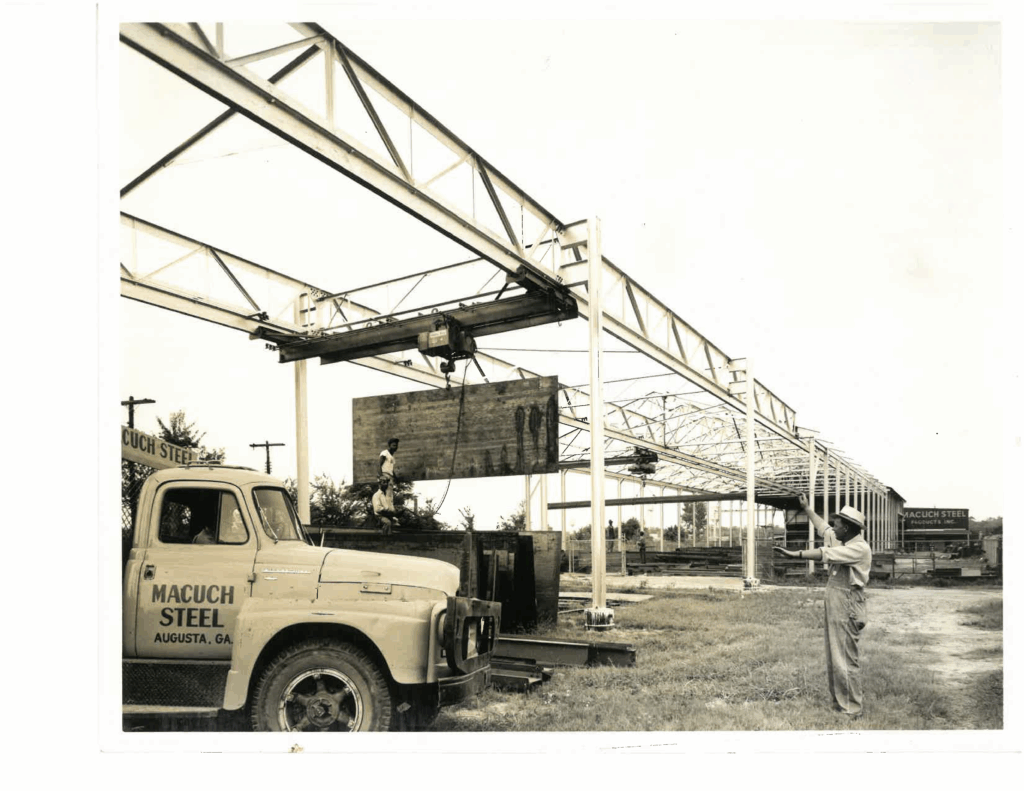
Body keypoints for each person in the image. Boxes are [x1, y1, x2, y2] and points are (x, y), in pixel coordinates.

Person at [775, 493, 872, 718]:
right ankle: (840, 702)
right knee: (834, 654)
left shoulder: (859, 548)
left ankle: (851, 708)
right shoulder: (845, 539)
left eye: (837, 525)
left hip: (847, 602)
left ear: (847, 528)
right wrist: (807, 508)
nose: (833, 528)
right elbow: (823, 529)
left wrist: (794, 554)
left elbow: (823, 553)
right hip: (837, 599)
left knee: (845, 657)